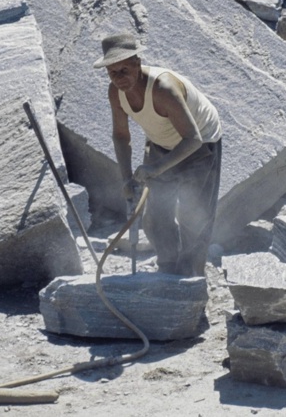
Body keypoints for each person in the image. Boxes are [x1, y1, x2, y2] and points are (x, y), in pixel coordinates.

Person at [94, 33, 222, 277]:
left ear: (137, 64)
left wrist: (156, 169)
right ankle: (168, 267)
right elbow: (121, 136)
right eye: (113, 72)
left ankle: (189, 278)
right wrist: (126, 178)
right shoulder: (116, 93)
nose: (119, 78)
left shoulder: (164, 89)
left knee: (193, 215)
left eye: (124, 70)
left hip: (200, 143)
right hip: (161, 141)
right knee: (155, 217)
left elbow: (192, 139)